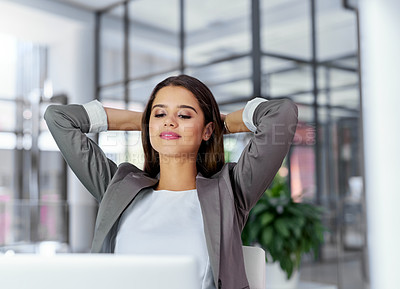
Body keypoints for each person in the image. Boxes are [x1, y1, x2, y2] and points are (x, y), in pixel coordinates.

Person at [44, 74, 298, 289]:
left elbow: (281, 113)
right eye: (160, 113)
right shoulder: (118, 187)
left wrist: (223, 124)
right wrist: (144, 122)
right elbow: (59, 118)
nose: (169, 121)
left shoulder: (231, 189)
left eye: (185, 116)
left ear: (207, 131)